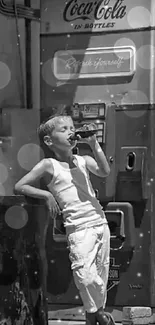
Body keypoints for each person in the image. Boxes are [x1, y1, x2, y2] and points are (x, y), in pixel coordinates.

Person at [15, 113, 115, 325]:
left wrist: (94, 143)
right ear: (49, 141)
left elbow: (105, 171)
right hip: (78, 227)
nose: (71, 131)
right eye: (64, 129)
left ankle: (94, 317)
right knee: (85, 275)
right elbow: (20, 185)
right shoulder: (48, 164)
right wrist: (47, 195)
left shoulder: (82, 160)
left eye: (72, 127)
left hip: (100, 222)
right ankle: (98, 313)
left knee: (101, 271)